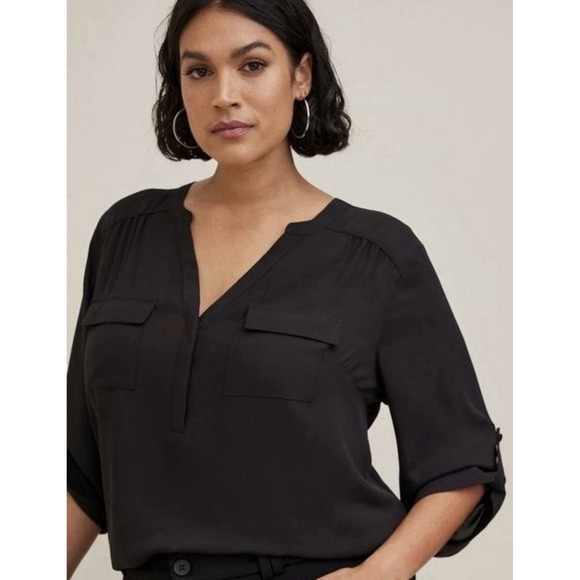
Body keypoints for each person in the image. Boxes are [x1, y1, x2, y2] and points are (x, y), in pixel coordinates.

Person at [67, 1, 507, 579]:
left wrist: (377, 574)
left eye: (252, 65)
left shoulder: (377, 255)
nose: (224, 94)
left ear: (301, 75)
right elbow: (80, 472)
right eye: (199, 71)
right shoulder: (125, 235)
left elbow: (460, 462)